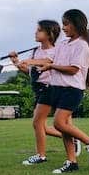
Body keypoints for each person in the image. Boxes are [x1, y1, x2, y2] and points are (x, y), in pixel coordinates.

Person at [37, 8, 89, 174]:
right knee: (64, 127)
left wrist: (51, 66)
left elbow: (73, 69)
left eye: (66, 24)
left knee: (58, 123)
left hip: (72, 90)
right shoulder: (62, 44)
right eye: (63, 24)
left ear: (76, 24)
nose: (63, 27)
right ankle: (71, 161)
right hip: (58, 89)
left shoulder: (81, 46)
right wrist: (32, 64)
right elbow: (51, 60)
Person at [9, 19, 65, 165]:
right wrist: (16, 62)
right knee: (41, 126)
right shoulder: (35, 51)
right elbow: (29, 71)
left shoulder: (56, 51)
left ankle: (41, 155)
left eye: (39, 30)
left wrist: (30, 61)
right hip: (38, 89)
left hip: (49, 88)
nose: (36, 32)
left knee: (37, 123)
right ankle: (70, 138)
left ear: (49, 34)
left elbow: (47, 62)